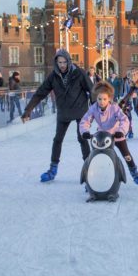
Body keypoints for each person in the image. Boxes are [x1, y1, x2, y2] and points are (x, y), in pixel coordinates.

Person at [21, 49, 94, 182]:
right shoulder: (53, 76)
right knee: (57, 140)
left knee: (82, 138)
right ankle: (53, 169)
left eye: (64, 62)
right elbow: (40, 93)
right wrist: (28, 110)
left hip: (80, 111)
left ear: (69, 61)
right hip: (63, 112)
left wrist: (96, 112)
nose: (62, 65)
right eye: (59, 62)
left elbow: (92, 90)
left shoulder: (79, 73)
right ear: (56, 62)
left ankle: (89, 168)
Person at [80, 81, 138, 185]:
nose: (101, 102)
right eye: (99, 99)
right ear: (96, 98)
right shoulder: (93, 108)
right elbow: (85, 120)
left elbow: (124, 119)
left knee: (126, 154)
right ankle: (92, 178)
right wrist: (85, 131)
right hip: (101, 138)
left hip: (116, 135)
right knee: (95, 157)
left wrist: (121, 131)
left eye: (104, 99)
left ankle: (134, 171)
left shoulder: (114, 108)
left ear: (109, 98)